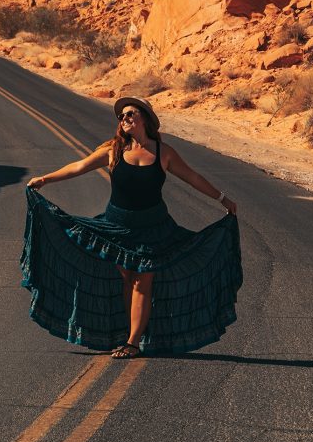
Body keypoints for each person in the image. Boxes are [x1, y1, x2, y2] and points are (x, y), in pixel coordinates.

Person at [22, 97, 241, 358]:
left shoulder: (164, 152)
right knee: (128, 280)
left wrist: (222, 199)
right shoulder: (113, 150)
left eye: (130, 114)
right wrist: (45, 179)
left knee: (142, 282)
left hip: (154, 227)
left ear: (145, 118)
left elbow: (193, 177)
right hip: (117, 225)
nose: (124, 119)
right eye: (121, 116)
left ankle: (133, 342)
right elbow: (79, 167)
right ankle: (131, 334)